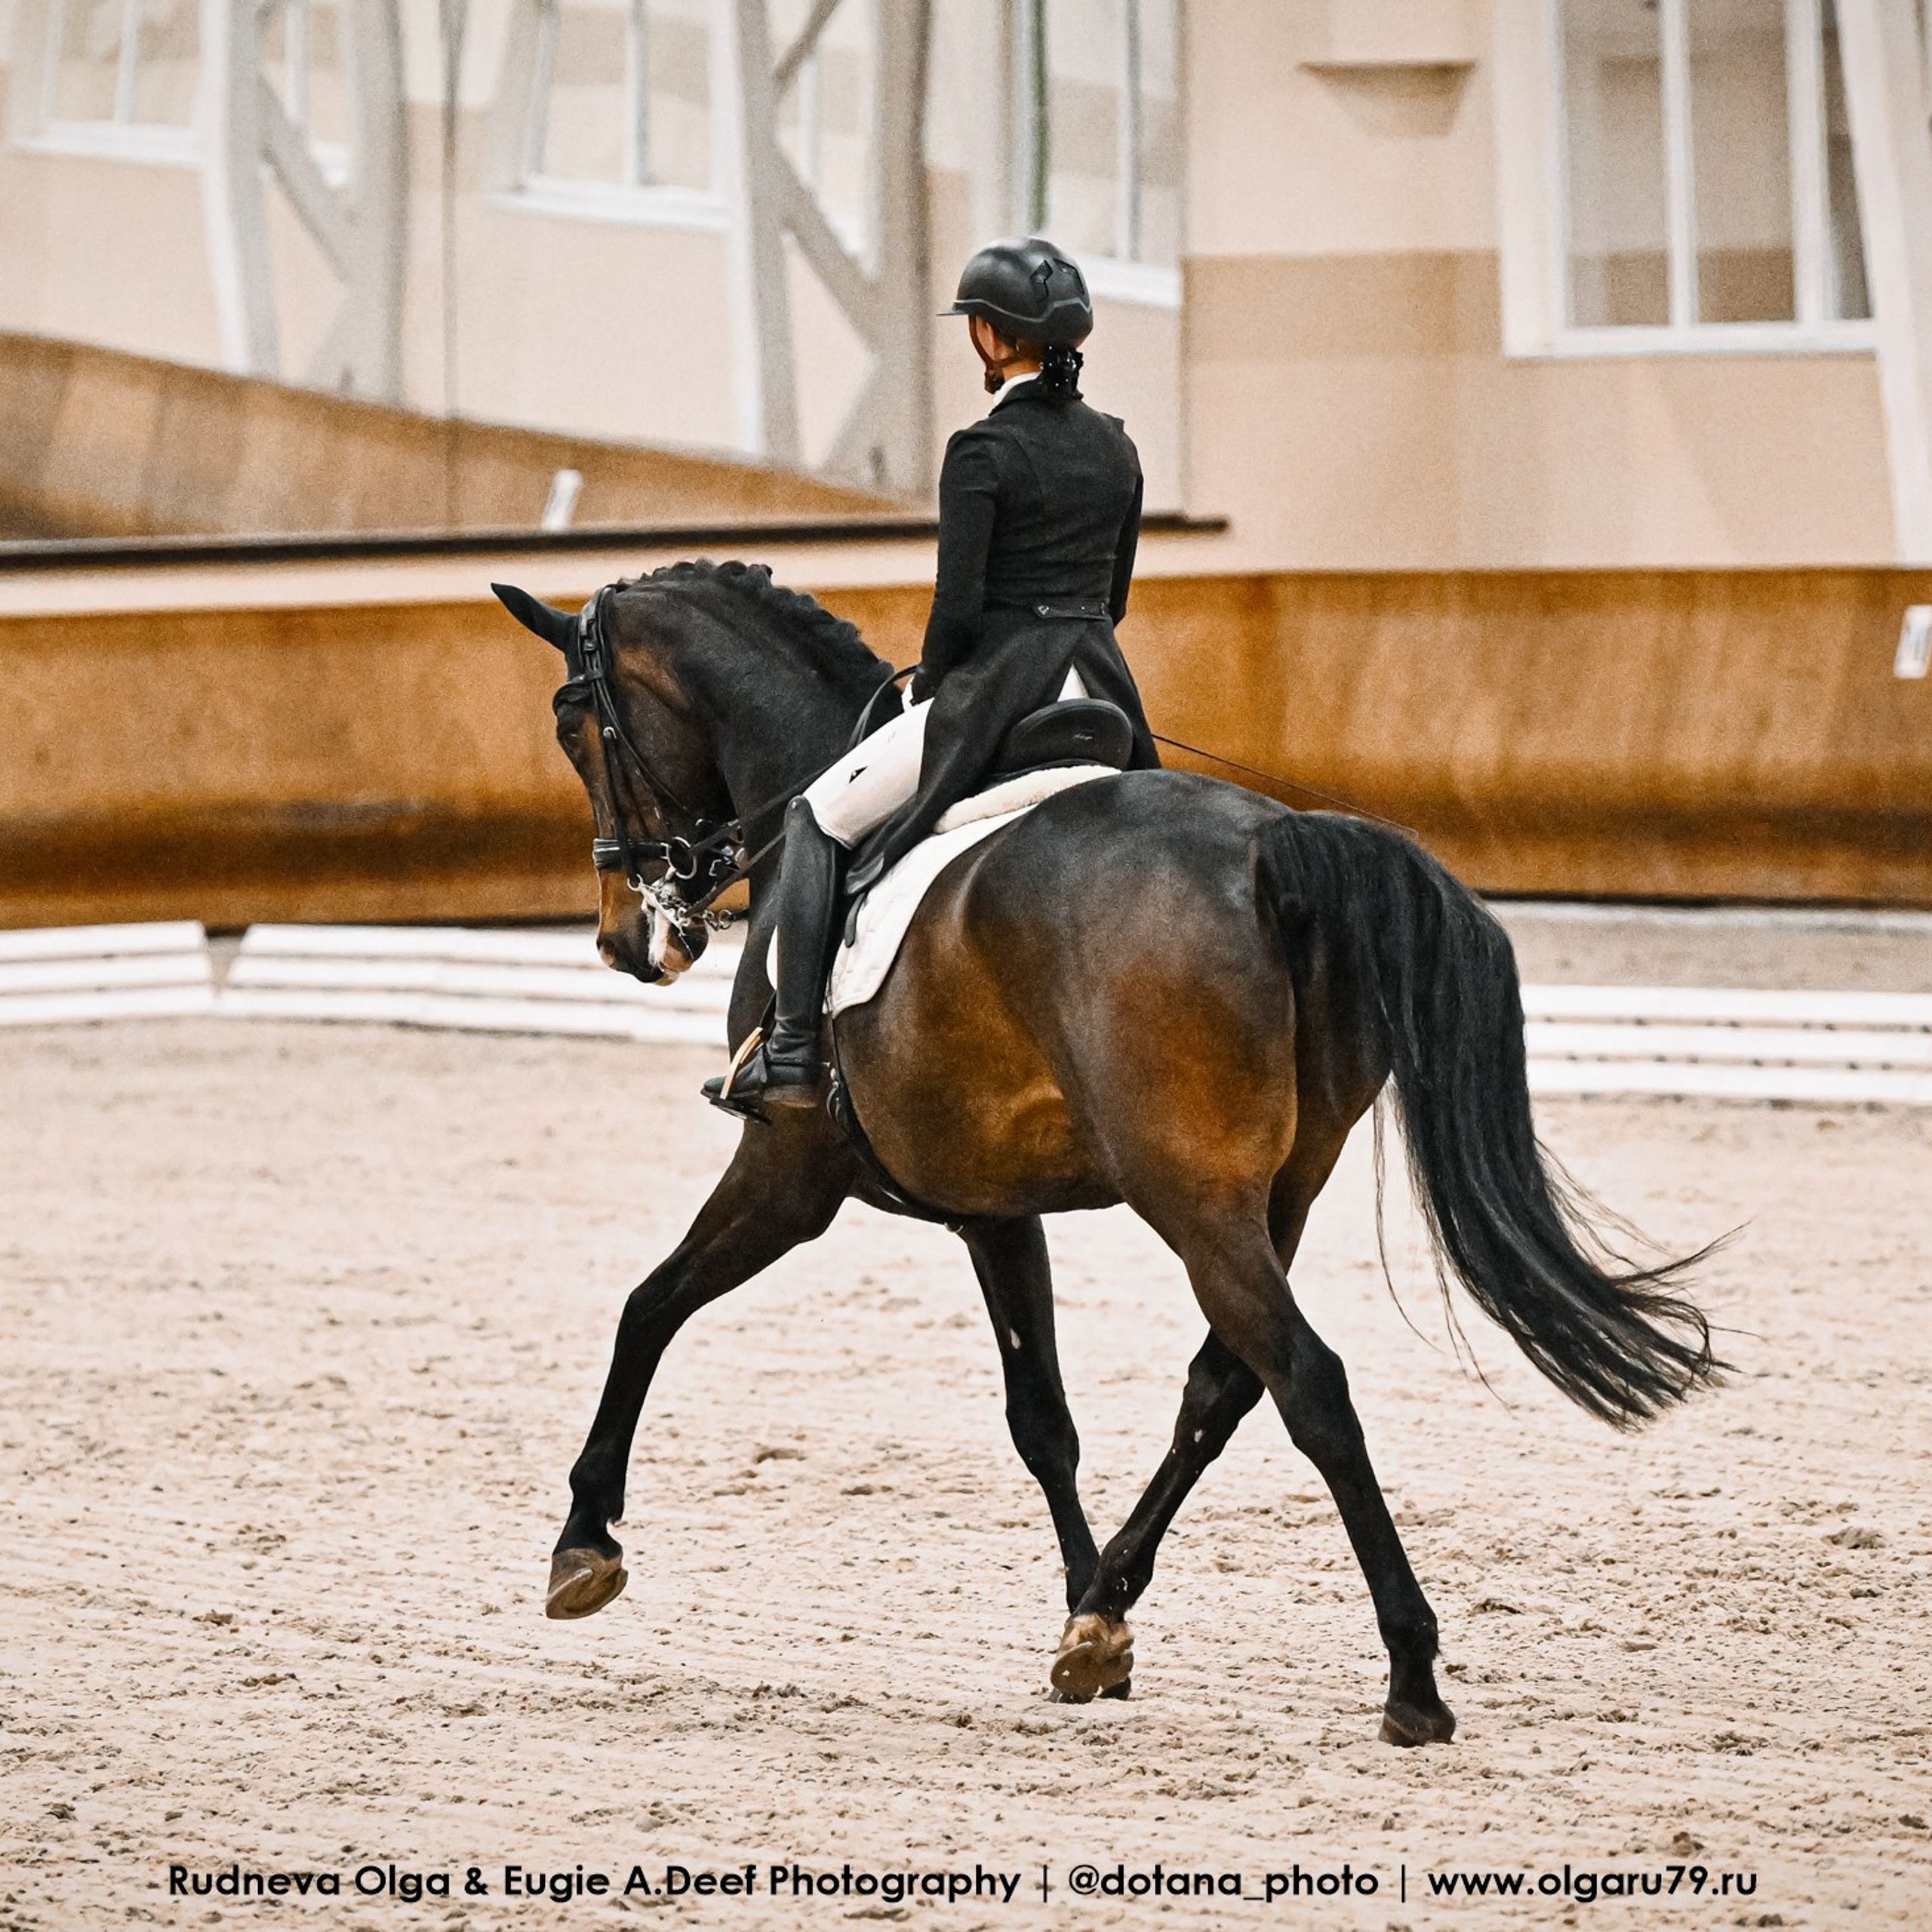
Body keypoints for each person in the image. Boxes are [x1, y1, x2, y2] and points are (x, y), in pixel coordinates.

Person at [709, 237, 1161, 1119]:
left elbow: (957, 608)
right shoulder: (1116, 446)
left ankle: (792, 1050)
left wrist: (934, 686)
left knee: (816, 816)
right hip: (1103, 694)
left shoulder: (982, 452)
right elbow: (1112, 599)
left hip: (1003, 690)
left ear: (990, 335)